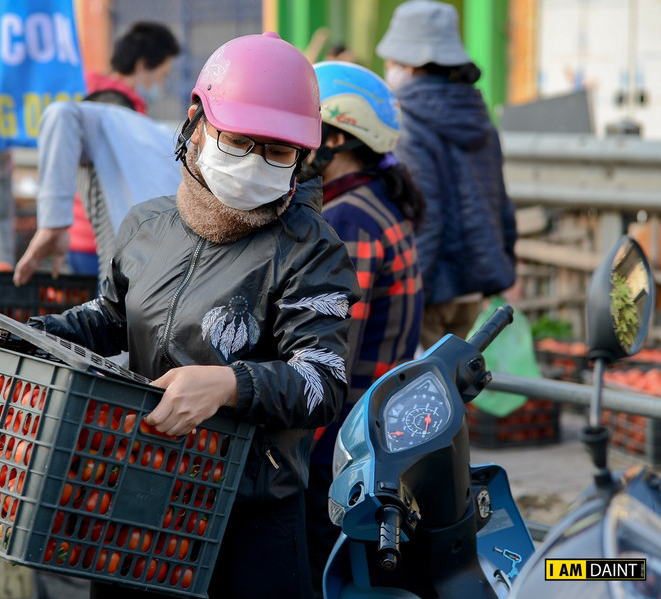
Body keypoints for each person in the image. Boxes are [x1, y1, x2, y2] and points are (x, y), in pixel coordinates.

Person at [28, 32, 361, 599]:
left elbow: (322, 383)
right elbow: (112, 315)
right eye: (238, 140)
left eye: (278, 151)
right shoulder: (147, 227)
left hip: (248, 519)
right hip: (140, 502)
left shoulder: (312, 251)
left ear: (303, 157)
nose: (255, 163)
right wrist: (34, 335)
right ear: (197, 123)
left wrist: (229, 384)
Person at [301, 61, 426, 598]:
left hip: (341, 448)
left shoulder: (350, 220)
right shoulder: (373, 203)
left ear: (333, 136)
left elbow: (334, 352)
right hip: (369, 436)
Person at [375, 0, 517, 349]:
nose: (389, 67)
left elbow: (426, 216)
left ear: (410, 63)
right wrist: (505, 264)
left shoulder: (406, 122)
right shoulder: (479, 114)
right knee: (455, 389)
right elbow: (500, 201)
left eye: (393, 60)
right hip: (472, 288)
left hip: (428, 290)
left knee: (422, 396)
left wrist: (405, 292)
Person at [15, 22, 180, 282]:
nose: (161, 84)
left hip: (74, 236)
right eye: (162, 74)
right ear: (142, 65)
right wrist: (53, 222)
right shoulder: (118, 112)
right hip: (102, 240)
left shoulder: (84, 92)